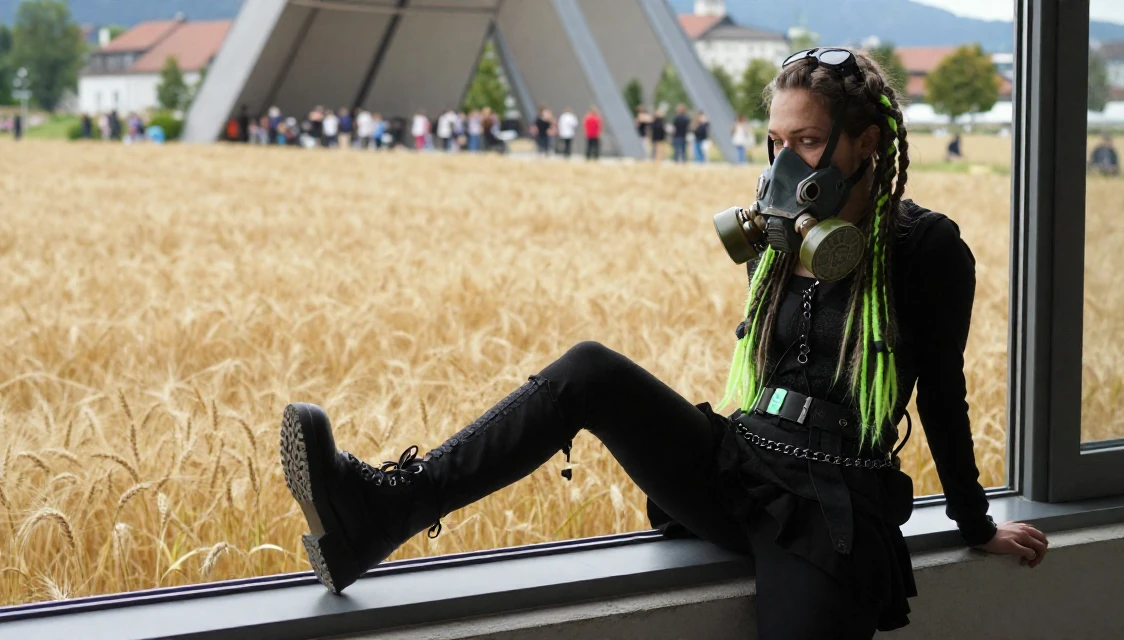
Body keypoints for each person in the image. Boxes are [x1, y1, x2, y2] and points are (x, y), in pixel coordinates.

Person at [276, 47, 1050, 639]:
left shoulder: (926, 247)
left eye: (809, 142)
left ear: (865, 142)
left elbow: (945, 396)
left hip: (834, 505)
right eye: (777, 140)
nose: (786, 164)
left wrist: (975, 523)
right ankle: (377, 517)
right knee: (588, 371)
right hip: (741, 463)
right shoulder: (784, 237)